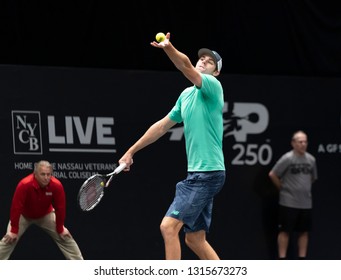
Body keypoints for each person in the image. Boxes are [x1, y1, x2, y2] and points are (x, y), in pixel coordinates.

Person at [118, 32, 225, 260]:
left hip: (207, 174)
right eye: (202, 58)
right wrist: (130, 151)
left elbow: (185, 66)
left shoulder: (212, 86)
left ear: (216, 72)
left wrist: (168, 47)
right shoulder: (186, 95)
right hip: (200, 173)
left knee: (168, 227)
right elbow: (161, 126)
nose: (204, 61)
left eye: (210, 61)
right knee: (194, 239)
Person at [0, 160, 83, 260]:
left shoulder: (56, 185)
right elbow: (16, 207)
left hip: (45, 215)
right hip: (24, 215)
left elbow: (60, 208)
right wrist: (13, 230)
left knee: (65, 236)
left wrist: (60, 228)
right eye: (43, 174)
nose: (46, 177)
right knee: (9, 239)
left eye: (49, 174)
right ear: (35, 174)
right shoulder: (24, 184)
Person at [269, 130, 318, 260]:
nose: (303, 144)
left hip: (306, 203)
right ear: (293, 143)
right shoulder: (287, 158)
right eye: (300, 141)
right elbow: (273, 174)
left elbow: (313, 178)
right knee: (285, 231)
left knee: (304, 232)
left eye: (305, 141)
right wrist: (283, 188)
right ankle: (282, 258)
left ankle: (302, 259)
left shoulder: (311, 159)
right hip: (288, 202)